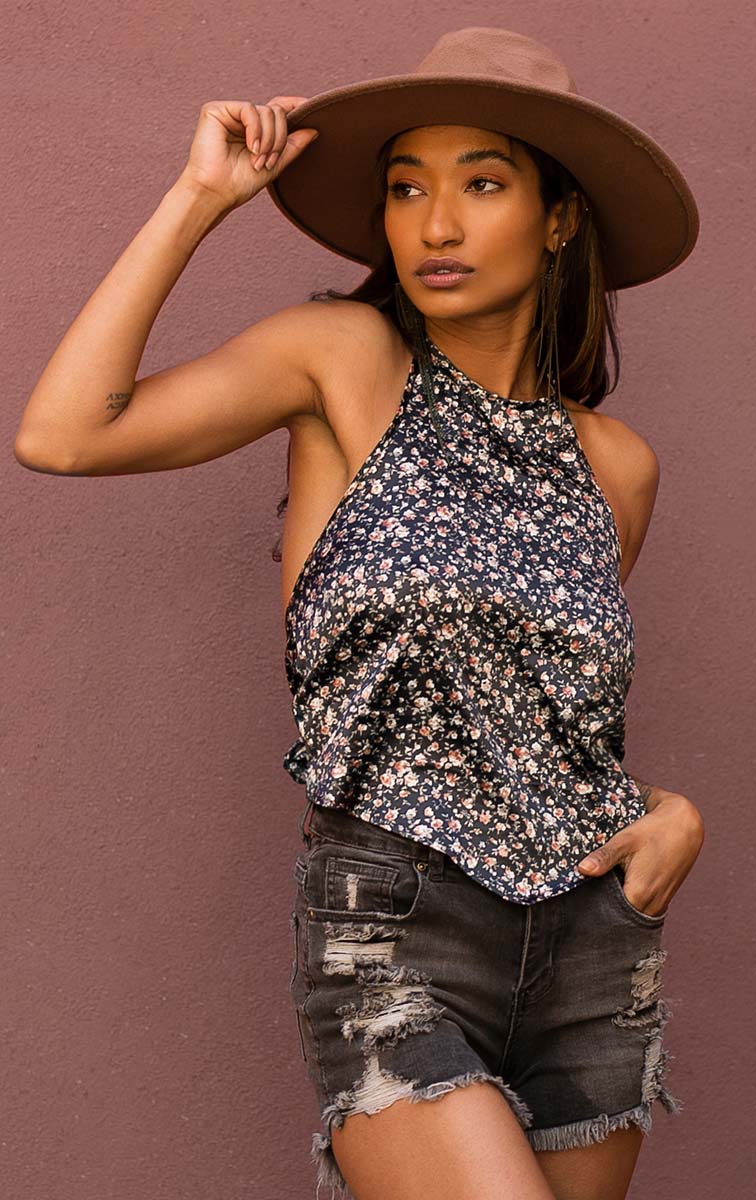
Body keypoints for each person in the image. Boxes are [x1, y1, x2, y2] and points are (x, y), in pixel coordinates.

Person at [15, 26, 706, 1200]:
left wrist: (671, 813)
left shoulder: (615, 466)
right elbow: (63, 434)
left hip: (591, 943)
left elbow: (531, 719)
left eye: (480, 184)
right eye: (404, 188)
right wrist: (199, 199)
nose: (433, 225)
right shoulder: (340, 360)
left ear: (556, 219)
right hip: (396, 921)